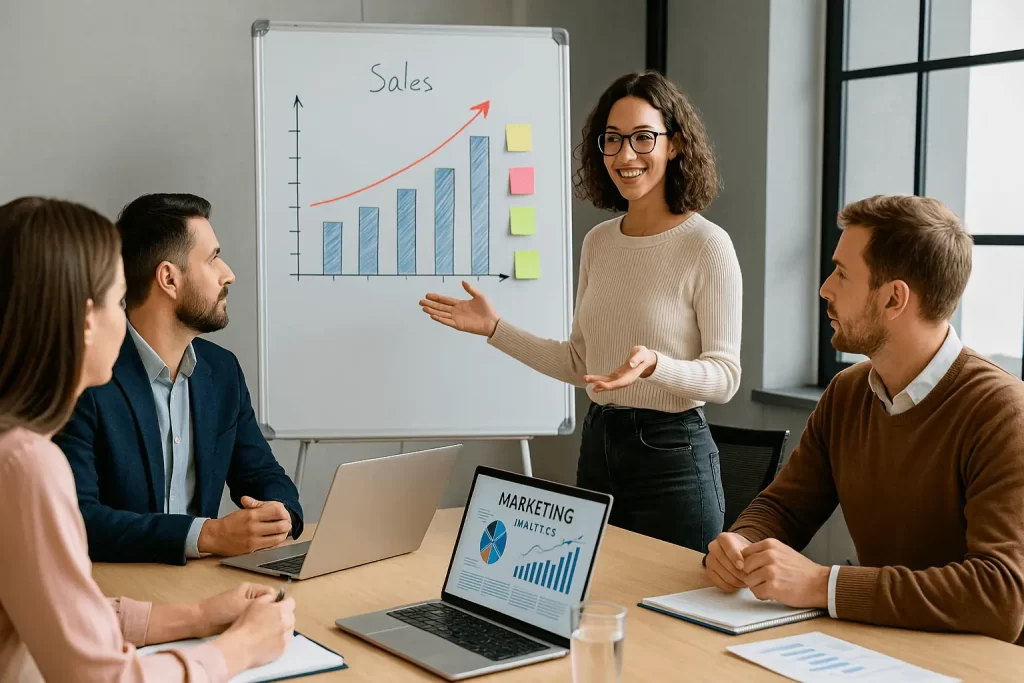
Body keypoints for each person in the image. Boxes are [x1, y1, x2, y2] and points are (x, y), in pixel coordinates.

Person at [419, 71, 743, 553]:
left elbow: (725, 377)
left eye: (642, 138)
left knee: (672, 619)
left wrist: (656, 365)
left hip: (673, 460)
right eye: (612, 140)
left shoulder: (707, 245)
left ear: (674, 144)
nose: (625, 156)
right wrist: (494, 328)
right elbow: (580, 362)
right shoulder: (599, 243)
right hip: (600, 447)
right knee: (595, 607)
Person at [704, 194, 1024, 644]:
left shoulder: (1003, 411)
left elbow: (1000, 597)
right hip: (877, 644)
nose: (825, 289)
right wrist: (740, 544)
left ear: (894, 298)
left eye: (842, 273)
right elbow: (785, 507)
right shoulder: (848, 391)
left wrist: (822, 585)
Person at [0, 196, 296, 681]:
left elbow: (70, 609)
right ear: (83, 319)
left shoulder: (15, 445)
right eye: (119, 300)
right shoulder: (25, 463)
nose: (126, 318)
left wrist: (202, 615)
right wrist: (238, 650)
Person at [54, 193, 303, 565]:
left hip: (202, 585)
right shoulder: (87, 376)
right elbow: (79, 518)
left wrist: (280, 514)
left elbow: (263, 474)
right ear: (169, 278)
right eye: (214, 258)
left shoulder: (222, 372)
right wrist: (207, 535)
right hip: (118, 593)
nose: (228, 274)